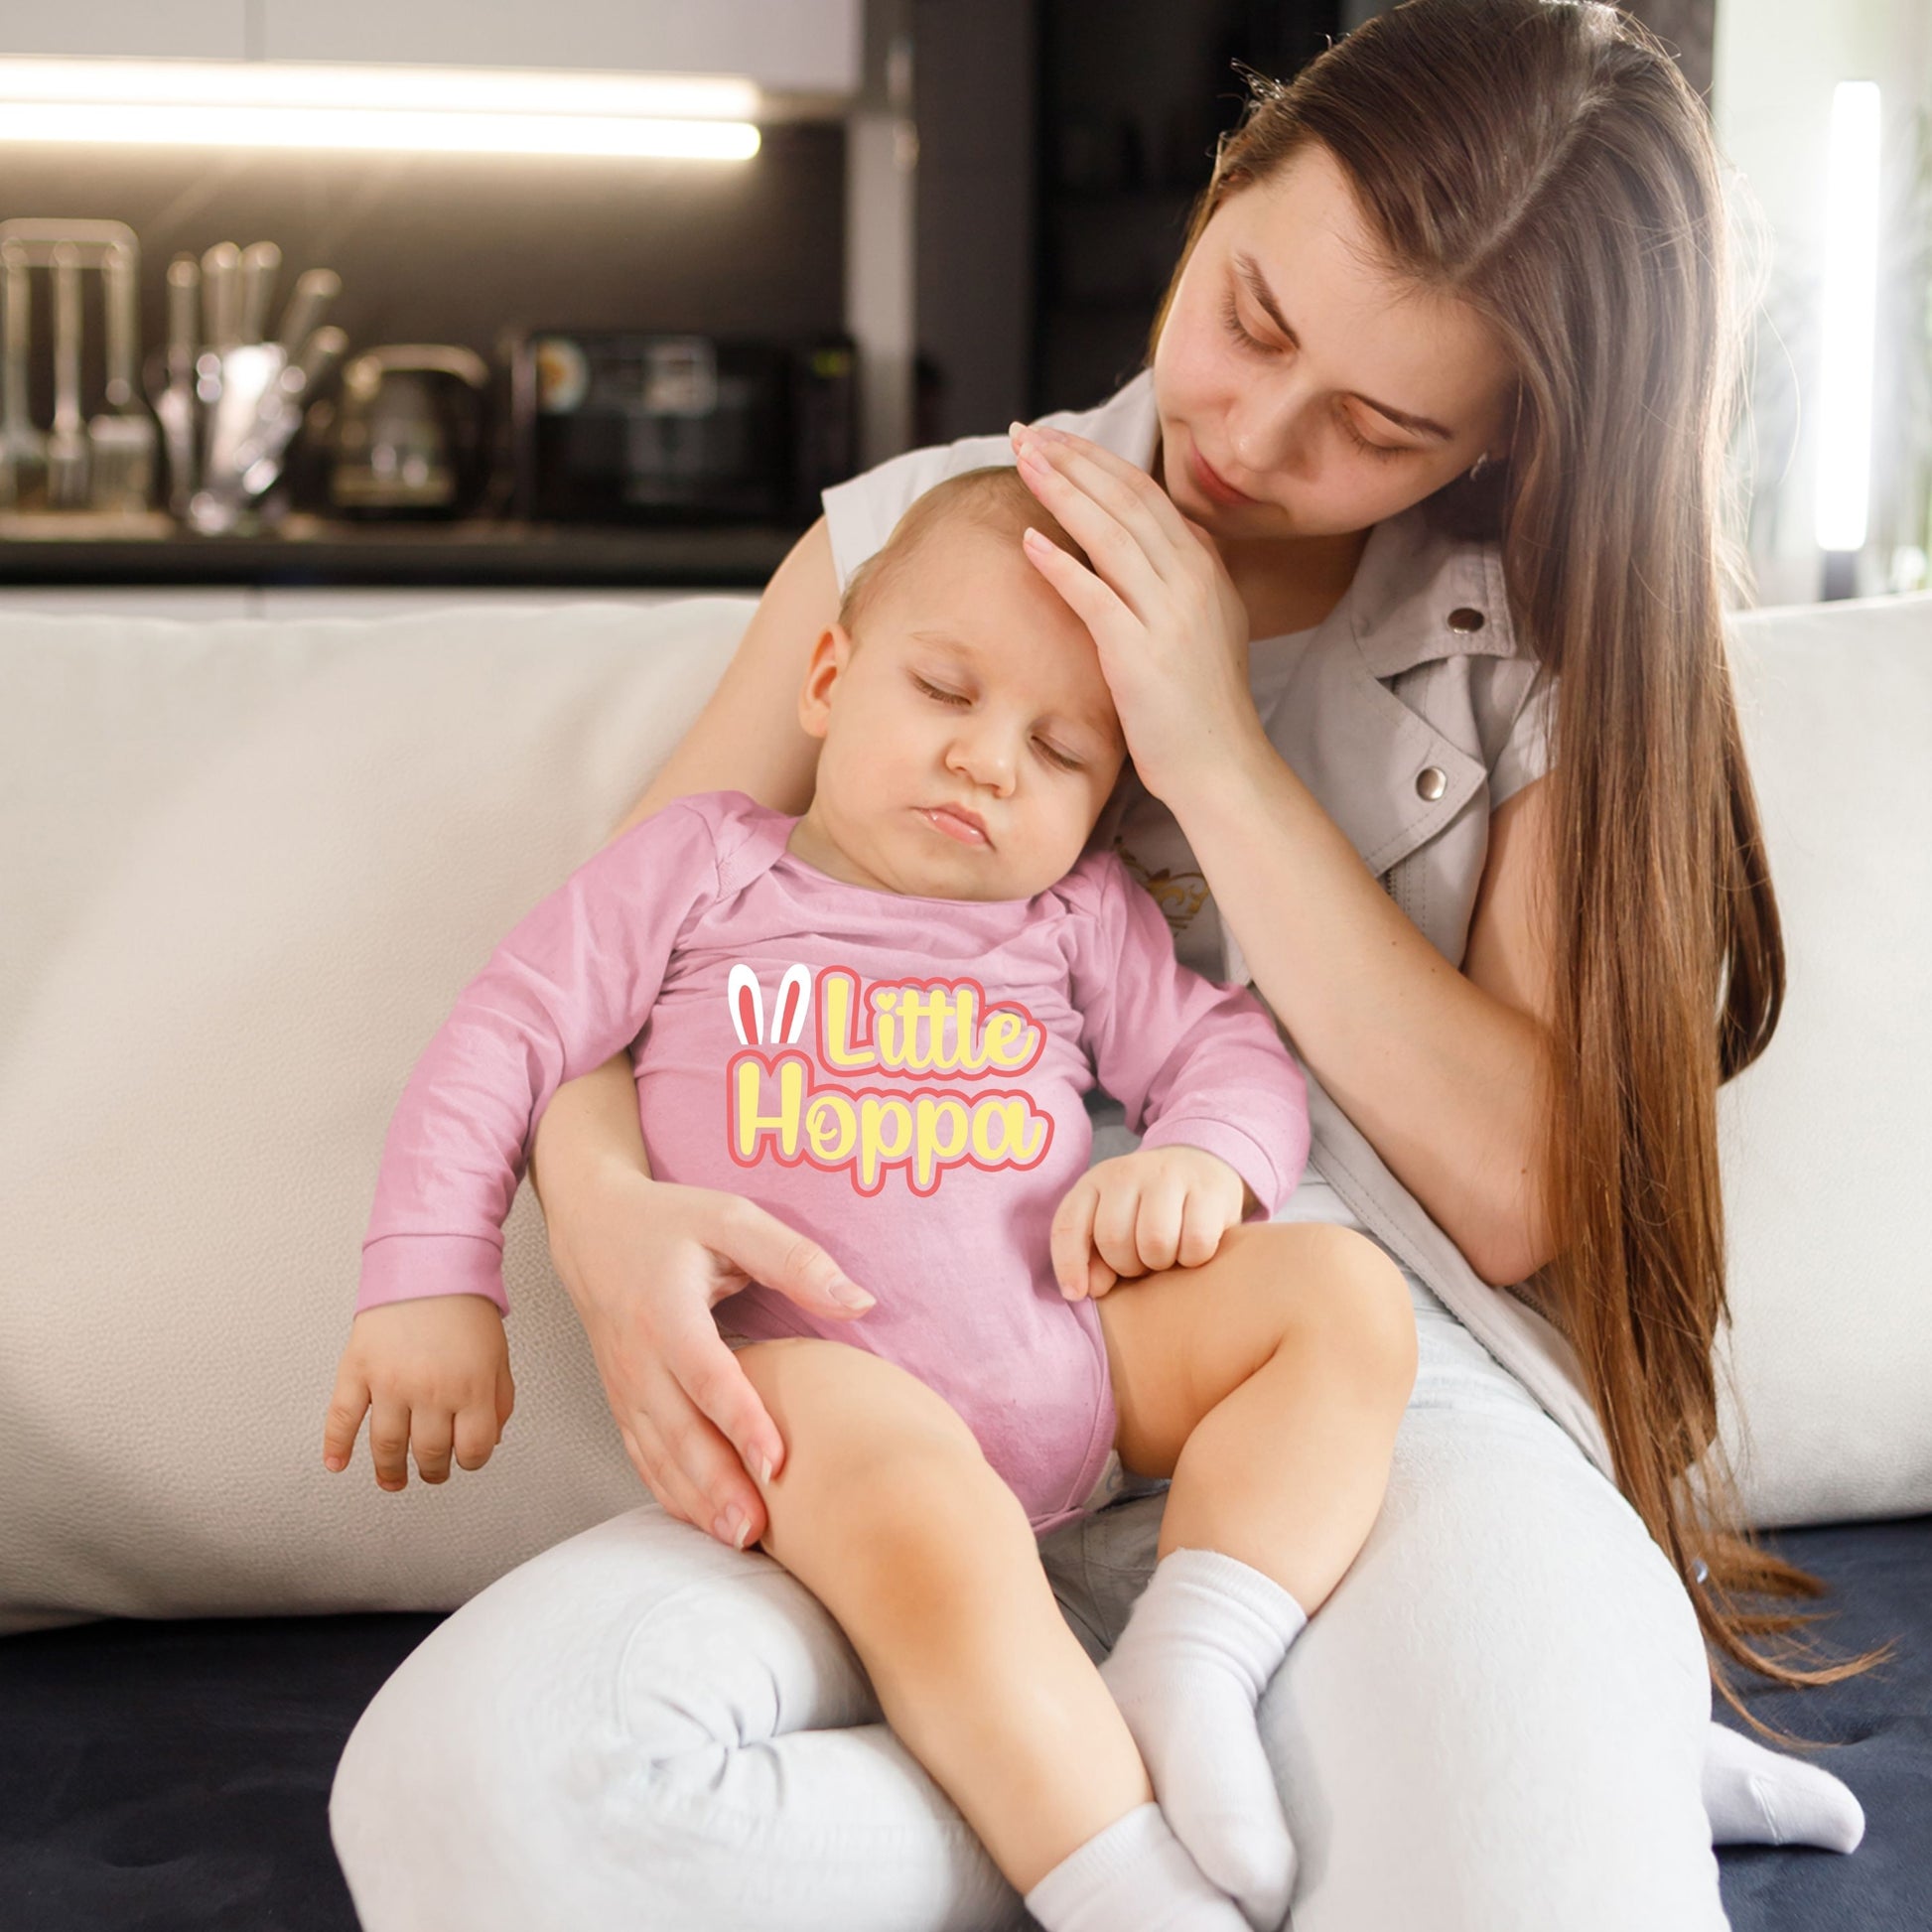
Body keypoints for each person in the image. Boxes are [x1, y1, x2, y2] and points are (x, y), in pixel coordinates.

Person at [330, 4, 1882, 1927]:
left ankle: (1279, 1750)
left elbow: (1514, 1186)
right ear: (1223, 188)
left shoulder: (1546, 649)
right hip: (878, 1391)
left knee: (1531, 1851)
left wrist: (1209, 745)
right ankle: (1138, 1815)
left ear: (1505, 435)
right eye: (1250, 317)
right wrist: (595, 1214)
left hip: (1341, 1419)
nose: (1249, 436)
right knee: (479, 1798)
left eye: (1377, 429)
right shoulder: (911, 545)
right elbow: (602, 964)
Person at [324, 466, 1421, 1930]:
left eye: (1059, 749)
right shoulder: (706, 863)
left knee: (1342, 1298)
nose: (986, 761)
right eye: (945, 691)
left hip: (1075, 1345)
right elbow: (510, 1031)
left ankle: (1202, 1648)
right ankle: (1119, 1883)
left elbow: (1225, 1048)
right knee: (923, 1511)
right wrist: (429, 1277)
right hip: (821, 1373)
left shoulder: (1073, 914)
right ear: (829, 682)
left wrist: (1202, 1161)